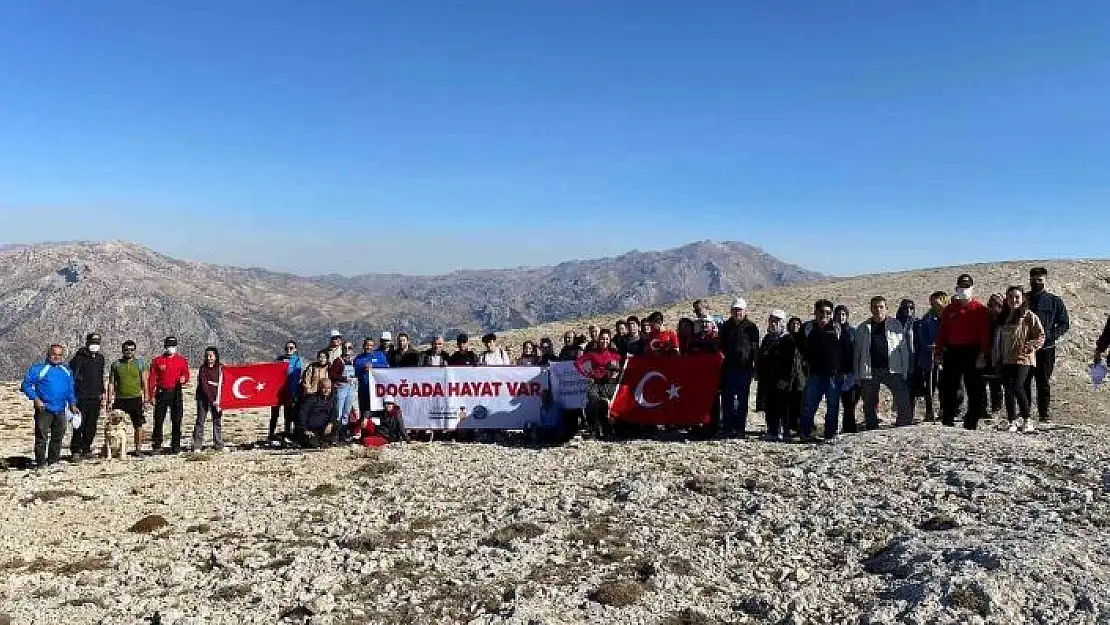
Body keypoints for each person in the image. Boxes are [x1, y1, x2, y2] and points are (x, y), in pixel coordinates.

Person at [934, 274, 992, 430]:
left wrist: (982, 354)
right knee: (950, 387)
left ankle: (971, 420)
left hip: (972, 351)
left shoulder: (980, 309)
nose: (964, 290)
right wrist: (938, 353)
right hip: (953, 351)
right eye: (961, 287)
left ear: (972, 289)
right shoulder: (949, 310)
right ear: (956, 289)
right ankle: (948, 417)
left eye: (967, 287)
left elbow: (984, 334)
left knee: (974, 388)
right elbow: (942, 333)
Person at [797, 300, 855, 441]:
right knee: (808, 407)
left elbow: (847, 352)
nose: (825, 315)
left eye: (828, 312)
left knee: (833, 407)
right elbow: (799, 348)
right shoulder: (808, 328)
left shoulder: (838, 329)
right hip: (814, 375)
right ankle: (805, 433)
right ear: (815, 312)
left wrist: (846, 372)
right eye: (821, 312)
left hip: (834, 376)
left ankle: (830, 434)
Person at [854, 296, 914, 429]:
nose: (878, 310)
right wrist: (858, 375)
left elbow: (902, 349)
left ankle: (904, 424)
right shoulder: (863, 328)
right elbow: (857, 353)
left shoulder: (895, 325)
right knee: (869, 402)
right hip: (870, 370)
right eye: (875, 307)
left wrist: (904, 370)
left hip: (892, 369)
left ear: (886, 309)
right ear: (870, 309)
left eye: (881, 307)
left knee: (902, 397)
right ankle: (871, 426)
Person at [992, 285, 1046, 433]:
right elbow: (998, 339)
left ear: (1022, 299)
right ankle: (1012, 421)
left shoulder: (1029, 316)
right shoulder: (1003, 317)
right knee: (1008, 389)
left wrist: (1032, 345)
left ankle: (1027, 419)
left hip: (1023, 358)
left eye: (1017, 297)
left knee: (1017, 386)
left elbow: (1040, 335)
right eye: (1010, 297)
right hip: (1005, 359)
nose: (1013, 300)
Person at [1024, 267, 1070, 424]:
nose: (1036, 282)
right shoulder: (1023, 300)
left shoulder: (1055, 301)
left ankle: (1044, 415)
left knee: (1043, 382)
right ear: (1029, 279)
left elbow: (1064, 324)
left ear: (1045, 280)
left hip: (1046, 350)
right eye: (1033, 279)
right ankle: (1025, 414)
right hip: (1025, 348)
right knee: (1024, 381)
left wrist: (1048, 337)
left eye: (1040, 279)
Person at [21, 344, 78, 468]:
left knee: (58, 436)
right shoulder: (38, 369)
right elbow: (26, 385)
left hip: (61, 409)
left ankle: (53, 461)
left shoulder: (66, 371)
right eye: (54, 354)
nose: (56, 357)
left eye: (59, 355)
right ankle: (41, 463)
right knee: (41, 437)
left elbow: (70, 389)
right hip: (44, 408)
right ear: (48, 354)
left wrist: (72, 403)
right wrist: (35, 399)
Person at [755, 310, 804, 441]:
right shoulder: (768, 338)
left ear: (782, 323)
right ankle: (772, 430)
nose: (773, 323)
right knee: (769, 406)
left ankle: (784, 431)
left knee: (784, 407)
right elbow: (761, 355)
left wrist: (785, 380)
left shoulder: (788, 340)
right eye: (771, 320)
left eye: (776, 321)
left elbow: (791, 363)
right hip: (768, 379)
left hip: (782, 380)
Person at [718, 298, 759, 437]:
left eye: (740, 310)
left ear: (745, 311)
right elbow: (720, 346)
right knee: (727, 399)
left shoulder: (752, 327)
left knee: (742, 400)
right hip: (728, 369)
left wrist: (755, 367)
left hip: (744, 369)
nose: (737, 312)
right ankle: (728, 427)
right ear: (731, 311)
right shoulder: (725, 326)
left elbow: (755, 349)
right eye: (735, 310)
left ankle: (740, 428)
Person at [147, 336, 190, 453]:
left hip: (176, 392)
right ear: (165, 347)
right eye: (169, 346)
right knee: (158, 419)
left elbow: (186, 374)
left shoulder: (182, 360)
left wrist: (184, 379)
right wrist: (151, 395)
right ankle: (156, 444)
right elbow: (152, 379)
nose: (171, 348)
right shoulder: (157, 361)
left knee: (177, 419)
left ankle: (176, 445)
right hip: (162, 393)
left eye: (173, 346)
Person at [68, 332, 106, 458]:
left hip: (95, 397)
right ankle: (75, 450)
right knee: (79, 424)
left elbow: (100, 376)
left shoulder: (100, 358)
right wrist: (72, 399)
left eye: (97, 343)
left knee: (92, 425)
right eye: (92, 343)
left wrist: (102, 393)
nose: (94, 345)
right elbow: (72, 378)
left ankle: (86, 448)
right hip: (81, 397)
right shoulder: (78, 358)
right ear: (87, 343)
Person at [107, 340, 148, 456]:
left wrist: (146, 399)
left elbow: (145, 381)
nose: (129, 352)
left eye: (131, 350)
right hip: (120, 400)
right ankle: (115, 449)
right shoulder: (116, 365)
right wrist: (109, 400)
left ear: (135, 350)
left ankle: (138, 449)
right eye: (126, 350)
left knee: (138, 425)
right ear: (122, 350)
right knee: (115, 425)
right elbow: (111, 383)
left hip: (136, 398)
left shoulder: (140, 364)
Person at [913, 292, 948, 421]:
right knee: (930, 386)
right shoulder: (926, 319)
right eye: (932, 303)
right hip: (930, 357)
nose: (935, 305)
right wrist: (930, 346)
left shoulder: (950, 317)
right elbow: (922, 337)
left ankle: (945, 410)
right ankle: (929, 411)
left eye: (937, 302)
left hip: (947, 356)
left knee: (945, 385)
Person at [833, 305, 861, 433]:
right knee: (833, 404)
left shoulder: (852, 332)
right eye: (838, 314)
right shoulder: (830, 332)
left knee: (849, 403)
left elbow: (858, 352)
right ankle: (832, 429)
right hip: (834, 373)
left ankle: (849, 428)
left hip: (850, 372)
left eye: (843, 314)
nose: (841, 317)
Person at [269, 340, 304, 440]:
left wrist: (294, 393)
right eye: (287, 348)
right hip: (277, 392)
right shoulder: (279, 359)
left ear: (295, 349)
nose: (288, 350)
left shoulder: (297, 360)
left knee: (288, 414)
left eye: (291, 348)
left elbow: (296, 376)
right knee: (274, 414)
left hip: (290, 391)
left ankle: (287, 433)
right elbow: (271, 371)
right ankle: (271, 434)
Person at [193, 347, 224, 451]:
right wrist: (212, 400)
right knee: (200, 421)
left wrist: (219, 399)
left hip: (217, 399)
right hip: (203, 398)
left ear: (216, 356)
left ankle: (218, 444)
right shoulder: (203, 369)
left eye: (211, 355)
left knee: (217, 421)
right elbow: (204, 385)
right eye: (207, 355)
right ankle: (197, 445)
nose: (209, 357)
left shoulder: (221, 368)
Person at [982, 293, 1006, 416]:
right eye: (991, 305)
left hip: (1001, 356)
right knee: (984, 383)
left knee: (997, 384)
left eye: (997, 305)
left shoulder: (1006, 320)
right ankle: (982, 409)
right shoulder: (985, 319)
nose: (994, 308)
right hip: (986, 355)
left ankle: (997, 409)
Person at [297, 378, 338, 447]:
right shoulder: (311, 398)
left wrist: (330, 424)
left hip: (323, 428)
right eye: (324, 388)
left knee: (337, 424)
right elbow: (302, 414)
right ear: (319, 388)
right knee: (312, 444)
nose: (326, 390)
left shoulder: (331, 399)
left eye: (328, 388)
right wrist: (305, 429)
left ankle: (325, 440)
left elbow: (334, 413)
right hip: (310, 428)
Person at [330, 343, 357, 437]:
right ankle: (335, 434)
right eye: (345, 347)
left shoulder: (353, 361)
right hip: (341, 388)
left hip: (351, 388)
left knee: (347, 412)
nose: (347, 349)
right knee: (339, 412)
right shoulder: (338, 361)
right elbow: (333, 375)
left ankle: (343, 432)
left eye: (349, 347)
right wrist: (345, 379)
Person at [784, 317, 806, 436]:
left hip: (801, 378)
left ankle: (799, 426)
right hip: (788, 378)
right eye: (793, 324)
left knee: (800, 403)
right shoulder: (785, 340)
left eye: (798, 324)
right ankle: (788, 426)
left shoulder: (804, 340)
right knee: (788, 404)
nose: (795, 326)